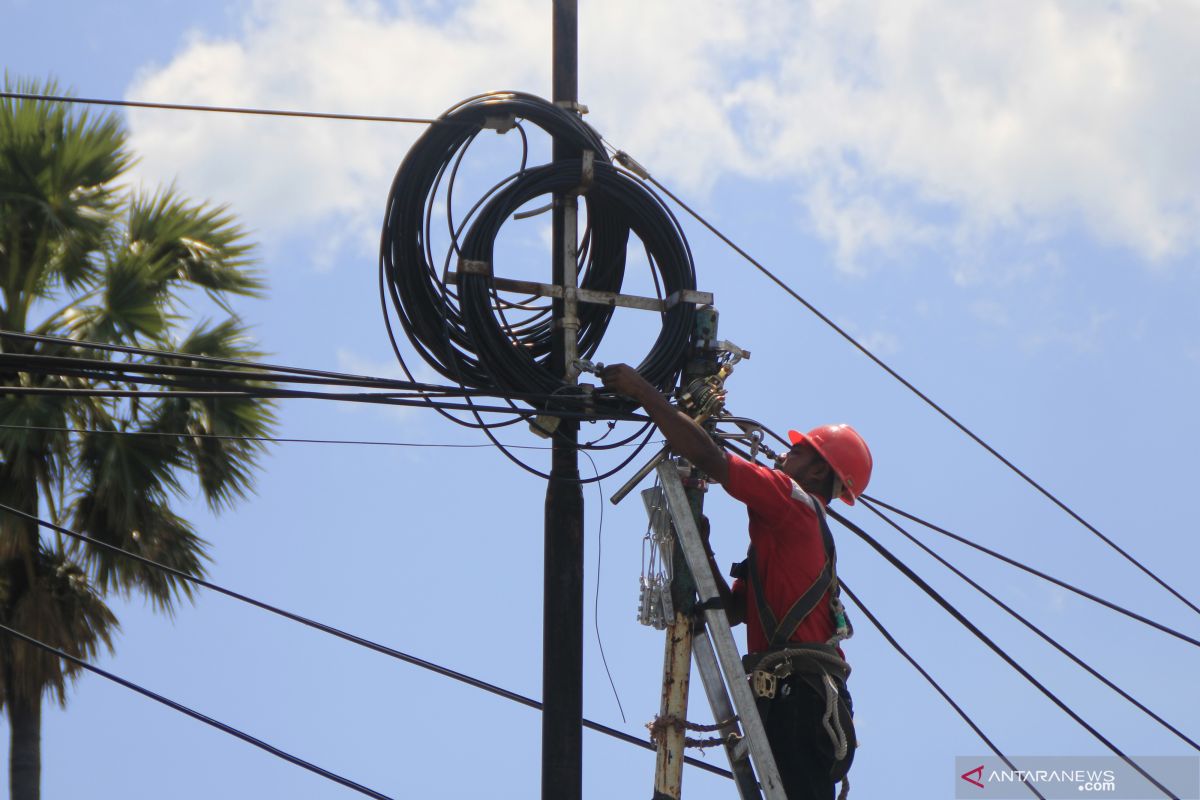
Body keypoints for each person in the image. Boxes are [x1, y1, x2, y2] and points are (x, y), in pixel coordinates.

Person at [599, 363, 872, 800]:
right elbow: (734, 612)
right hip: (790, 699)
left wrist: (644, 393)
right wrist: (700, 548)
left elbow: (710, 458)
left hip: (798, 700)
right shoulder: (782, 537)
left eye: (797, 453)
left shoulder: (792, 502)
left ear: (820, 473)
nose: (783, 456)